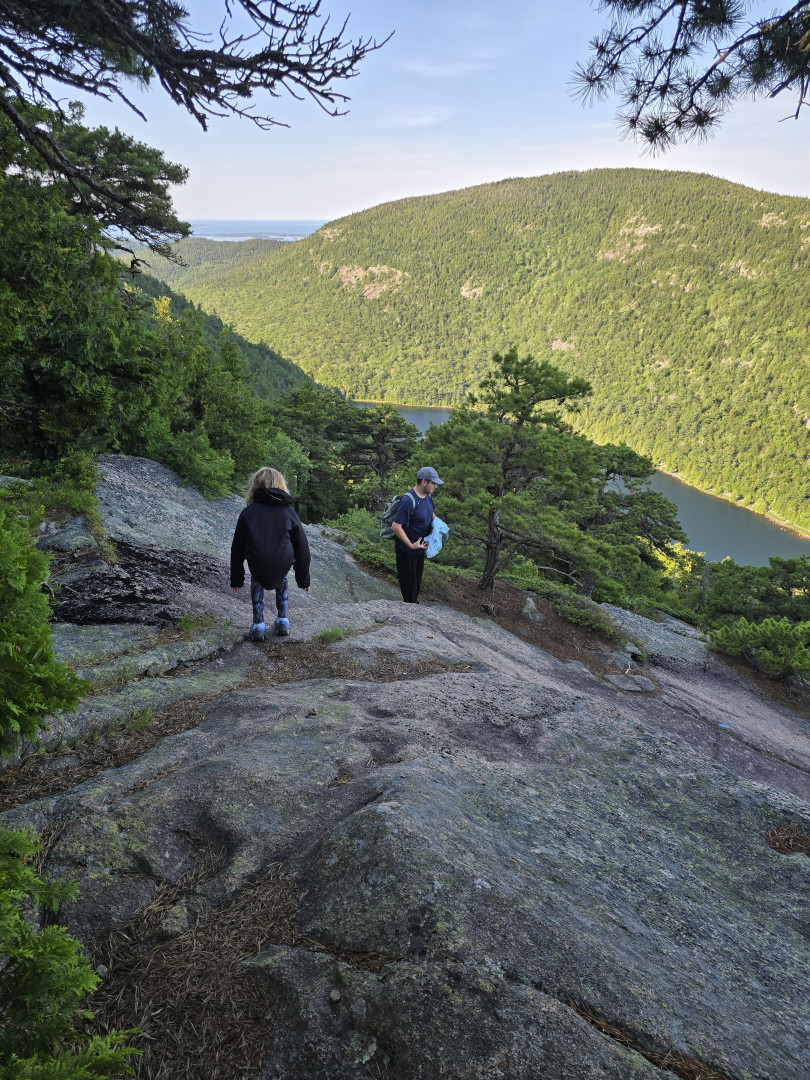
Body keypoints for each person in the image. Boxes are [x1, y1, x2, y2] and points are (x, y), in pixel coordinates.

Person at [230, 467, 311, 641]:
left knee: (257, 582)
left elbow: (237, 547)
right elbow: (302, 547)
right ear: (281, 485)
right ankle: (282, 621)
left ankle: (258, 626)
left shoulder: (248, 513)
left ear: (255, 486)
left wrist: (236, 578)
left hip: (258, 562)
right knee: (282, 580)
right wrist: (303, 578)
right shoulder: (289, 513)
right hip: (282, 562)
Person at [390, 466, 443, 604]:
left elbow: (430, 512)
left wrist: (438, 525)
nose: (436, 486)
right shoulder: (408, 501)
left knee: (416, 582)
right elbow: (395, 526)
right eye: (434, 483)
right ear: (424, 482)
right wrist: (410, 545)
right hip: (407, 550)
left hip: (420, 547)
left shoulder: (427, 496)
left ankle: (413, 605)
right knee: (409, 585)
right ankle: (410, 610)